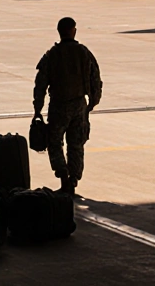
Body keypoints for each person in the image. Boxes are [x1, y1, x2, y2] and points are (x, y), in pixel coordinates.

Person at [33, 17, 103, 194]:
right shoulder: (83, 52)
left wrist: (37, 108)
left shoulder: (52, 55)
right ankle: (73, 179)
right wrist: (92, 102)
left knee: (55, 142)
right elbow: (96, 79)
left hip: (58, 106)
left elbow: (40, 83)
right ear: (73, 31)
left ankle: (63, 175)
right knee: (76, 144)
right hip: (79, 105)